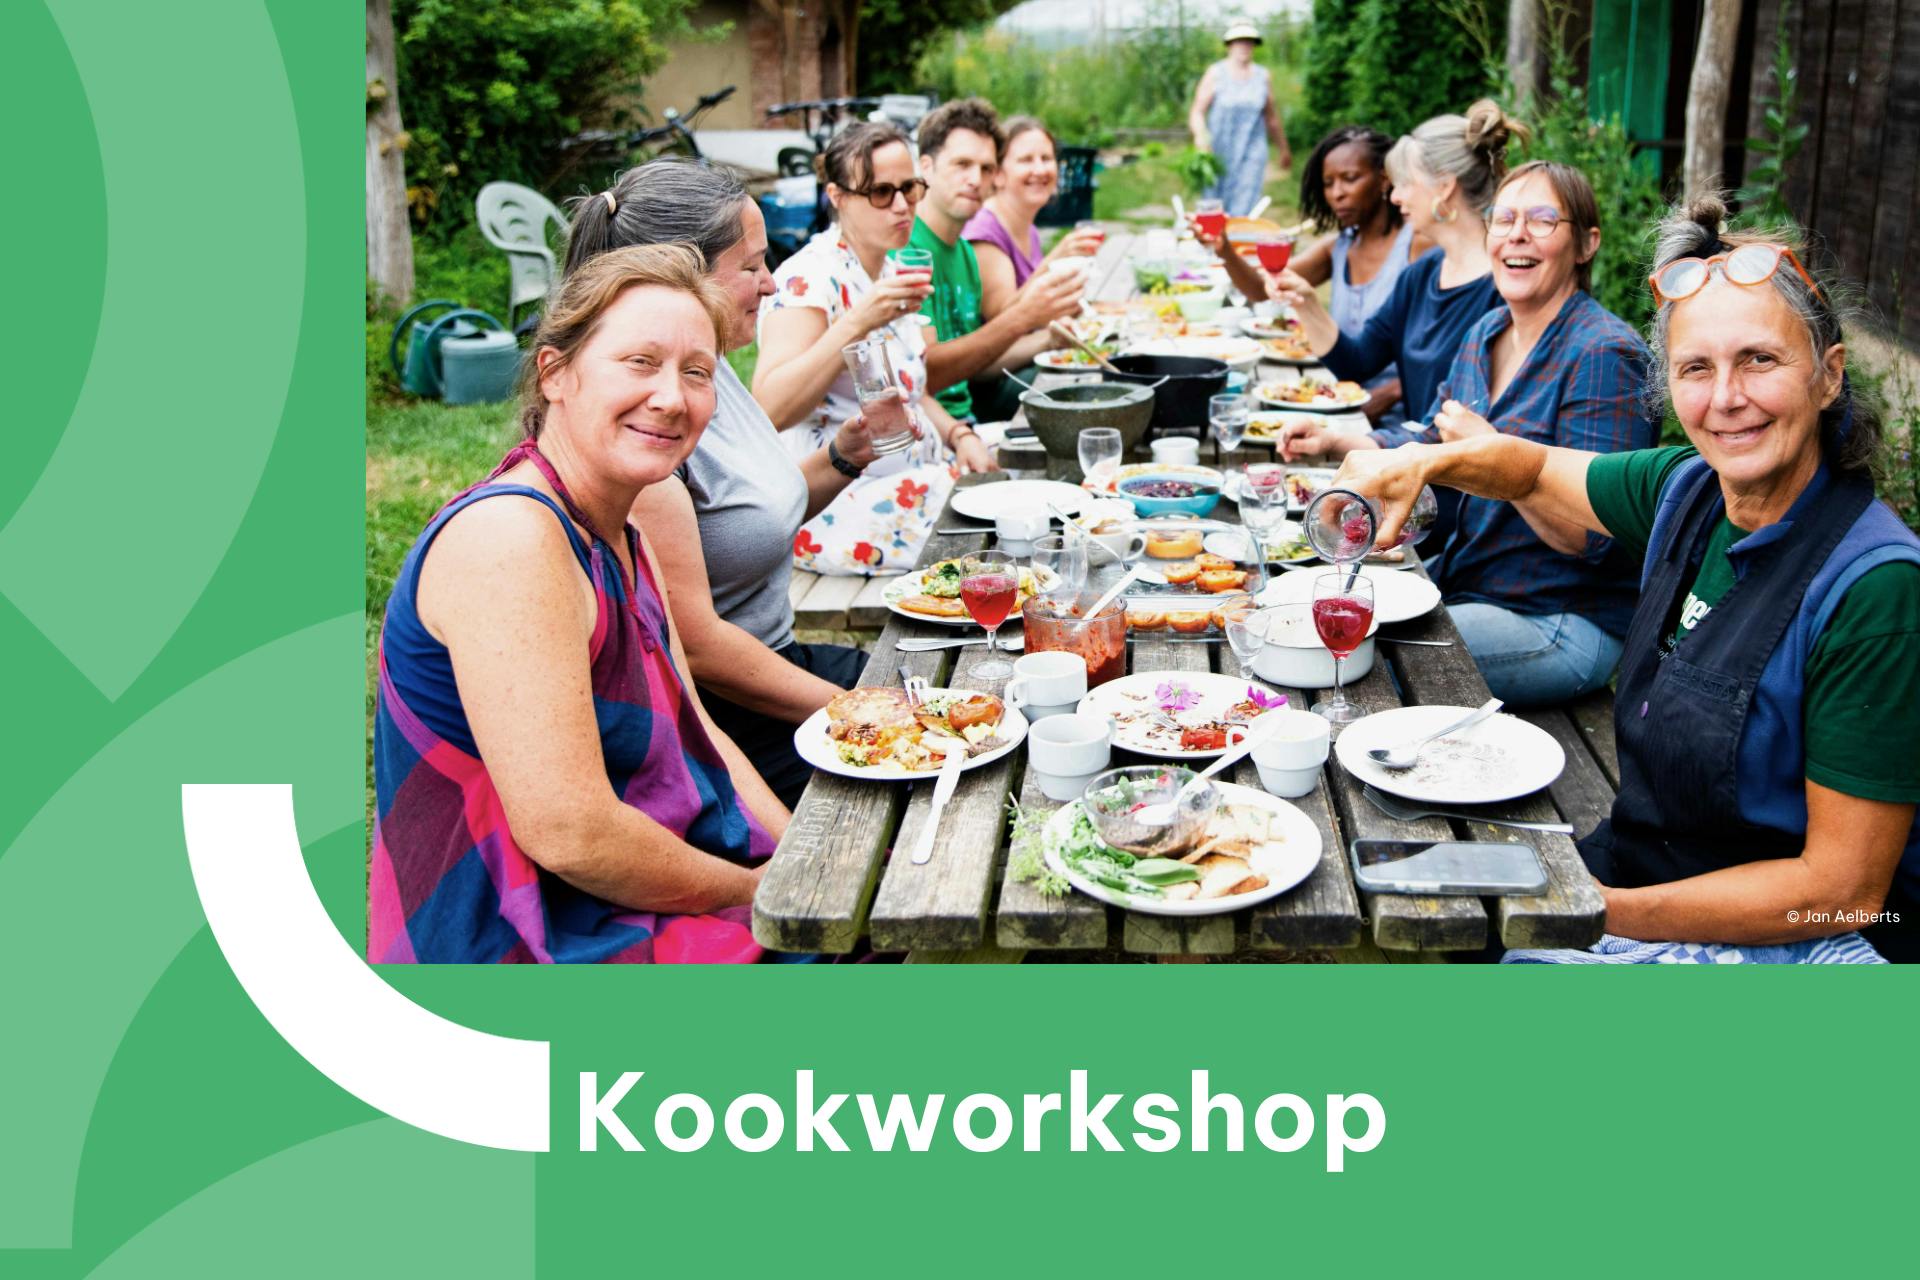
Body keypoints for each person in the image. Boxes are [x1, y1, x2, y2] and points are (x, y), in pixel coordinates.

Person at [1338, 197, 1920, 963]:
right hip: (1642, 872)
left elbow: (1842, 894)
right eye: (1696, 369)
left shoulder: (1875, 588)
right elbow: (1536, 466)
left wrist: (1593, 910)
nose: (1725, 399)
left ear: (1829, 376)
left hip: (1796, 942)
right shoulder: (1685, 490)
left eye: (1759, 360)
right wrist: (1426, 461)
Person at [371, 246, 791, 964]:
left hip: (632, 896)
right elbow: (570, 834)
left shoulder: (623, 533)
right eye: (639, 362)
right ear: (556, 372)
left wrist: (803, 861)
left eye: (697, 372)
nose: (672, 397)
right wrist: (765, 894)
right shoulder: (511, 540)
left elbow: (705, 734)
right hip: (526, 937)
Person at [562, 158, 878, 809]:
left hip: (775, 663)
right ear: (686, 272)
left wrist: (843, 456)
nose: (771, 285)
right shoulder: (650, 430)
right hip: (722, 709)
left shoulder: (711, 366)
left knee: (957, 689)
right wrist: (855, 710)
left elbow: (752, 514)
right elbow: (698, 651)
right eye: (754, 266)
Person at [755, 123, 996, 576]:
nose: (902, 206)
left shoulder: (888, 267)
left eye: (909, 188)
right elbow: (770, 407)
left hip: (913, 473)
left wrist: (957, 434)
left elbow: (906, 389)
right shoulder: (809, 278)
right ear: (838, 196)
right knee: (995, 518)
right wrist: (858, 320)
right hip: (842, 500)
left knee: (1009, 478)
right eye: (881, 193)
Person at [1268, 103, 1517, 460]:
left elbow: (1462, 430)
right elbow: (1358, 362)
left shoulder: (1505, 289)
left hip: (1463, 487)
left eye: (1405, 183)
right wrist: (1306, 302)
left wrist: (1343, 441)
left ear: (1444, 187)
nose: (1395, 196)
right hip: (1413, 466)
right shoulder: (1423, 273)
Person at [911, 98, 1084, 425]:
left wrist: (1048, 338)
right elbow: (925, 376)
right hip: (931, 430)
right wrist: (1022, 317)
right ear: (927, 167)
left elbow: (977, 364)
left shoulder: (962, 252)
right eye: (962, 164)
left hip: (968, 418)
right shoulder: (907, 250)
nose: (976, 179)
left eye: (986, 168)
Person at [964, 117, 1104, 322]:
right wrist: (1055, 259)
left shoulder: (1028, 228)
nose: (1040, 170)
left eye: (1046, 158)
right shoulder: (985, 233)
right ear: (998, 174)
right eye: (1026, 160)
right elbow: (1002, 323)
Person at [1187, 22, 1292, 217]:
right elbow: (1197, 112)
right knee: (1214, 204)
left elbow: (1271, 118)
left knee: (1245, 203)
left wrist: (1283, 149)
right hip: (1219, 149)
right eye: (1239, 42)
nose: (1244, 46)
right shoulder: (1216, 73)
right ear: (1229, 45)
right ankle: (1214, 243)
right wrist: (1201, 137)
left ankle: (1237, 242)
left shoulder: (1262, 76)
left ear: (1254, 45)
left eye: (1248, 42)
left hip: (1252, 150)